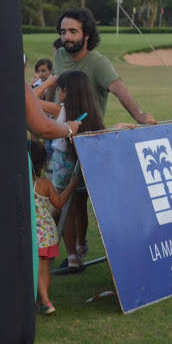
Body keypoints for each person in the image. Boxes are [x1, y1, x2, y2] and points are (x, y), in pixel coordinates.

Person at [44, 70, 106, 270]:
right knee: (80, 206)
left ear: (65, 91)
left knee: (66, 211)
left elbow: (35, 106)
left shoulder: (61, 109)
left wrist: (45, 85)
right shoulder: (92, 110)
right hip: (83, 162)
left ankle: (71, 255)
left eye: (59, 89)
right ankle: (81, 246)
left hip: (63, 162)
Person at [54, 8, 156, 125]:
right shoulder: (59, 55)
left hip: (85, 136)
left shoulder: (98, 63)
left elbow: (119, 90)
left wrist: (139, 116)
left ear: (87, 35)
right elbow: (53, 87)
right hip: (56, 133)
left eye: (73, 32)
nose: (67, 37)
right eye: (63, 32)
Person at [30, 140, 76, 315]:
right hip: (49, 233)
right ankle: (43, 300)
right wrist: (72, 184)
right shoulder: (45, 185)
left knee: (37, 269)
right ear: (42, 163)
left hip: (36, 235)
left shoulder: (22, 185)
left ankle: (46, 302)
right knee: (45, 270)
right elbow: (59, 203)